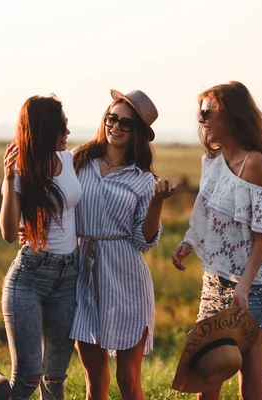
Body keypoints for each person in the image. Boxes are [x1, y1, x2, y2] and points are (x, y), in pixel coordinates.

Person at [172, 81, 262, 400]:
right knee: (207, 380)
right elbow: (205, 214)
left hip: (257, 289)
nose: (201, 119)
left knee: (251, 387)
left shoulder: (255, 163)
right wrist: (189, 244)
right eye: (200, 112)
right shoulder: (211, 162)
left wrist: (244, 287)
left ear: (231, 115)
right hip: (215, 283)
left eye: (208, 112)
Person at [70, 89, 177, 400]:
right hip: (83, 276)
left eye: (125, 123)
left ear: (138, 134)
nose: (114, 126)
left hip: (126, 279)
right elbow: (54, 200)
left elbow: (143, 241)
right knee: (94, 383)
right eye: (111, 118)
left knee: (128, 381)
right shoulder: (78, 159)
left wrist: (157, 204)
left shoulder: (144, 180)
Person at [0, 94, 82, 400]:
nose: (68, 133)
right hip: (30, 277)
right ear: (47, 130)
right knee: (27, 378)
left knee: (55, 378)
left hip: (68, 276)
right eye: (63, 127)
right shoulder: (20, 170)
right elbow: (8, 233)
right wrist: (8, 179)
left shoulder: (69, 159)